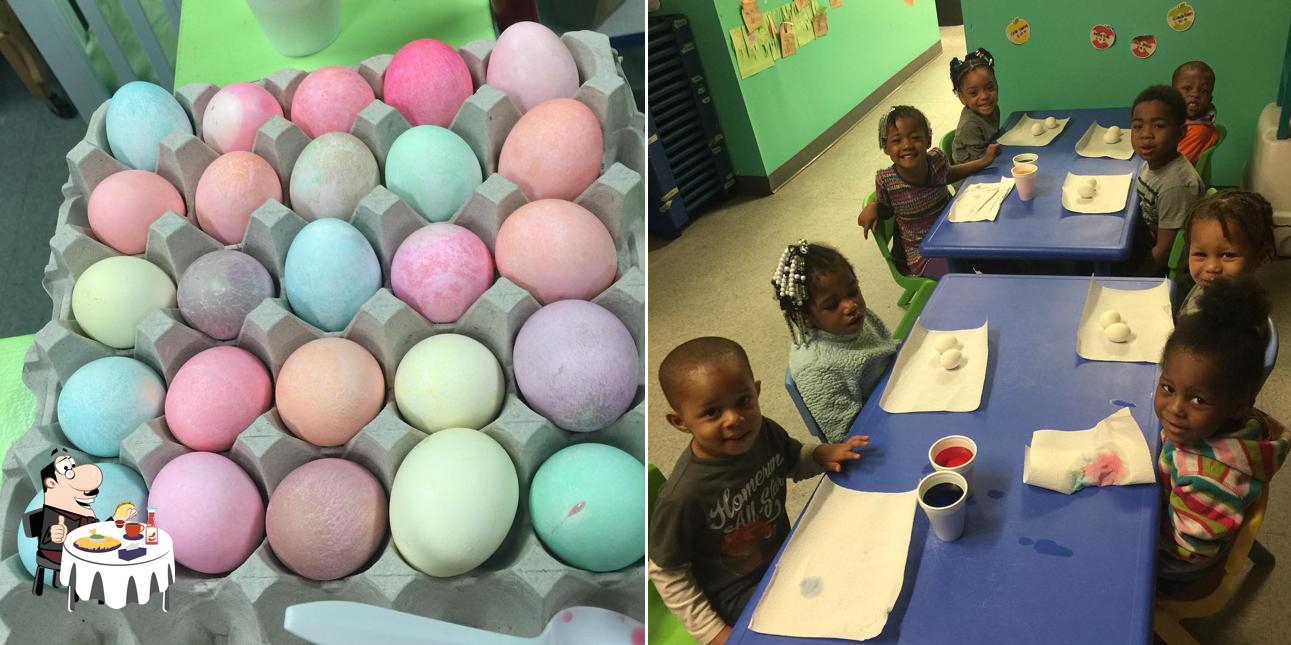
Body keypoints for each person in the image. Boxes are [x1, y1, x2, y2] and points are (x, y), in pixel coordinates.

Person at [649, 337, 866, 644]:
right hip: (738, 596)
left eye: (743, 401)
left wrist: (820, 455)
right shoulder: (683, 495)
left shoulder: (762, 431)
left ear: (757, 391)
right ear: (679, 422)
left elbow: (790, 459)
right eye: (712, 412)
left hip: (785, 555)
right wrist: (714, 633)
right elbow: (666, 572)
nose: (734, 419)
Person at [1155, 277, 1289, 593]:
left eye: (1198, 399)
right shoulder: (1234, 422)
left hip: (1177, 570)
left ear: (1237, 408)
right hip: (1182, 505)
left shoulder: (1207, 484)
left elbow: (1191, 554)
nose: (1175, 408)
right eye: (1168, 388)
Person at [771, 241, 898, 443]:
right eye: (832, 305)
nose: (850, 306)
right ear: (806, 318)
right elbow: (847, 435)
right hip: (881, 431)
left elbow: (887, 349)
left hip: (897, 389)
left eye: (852, 291)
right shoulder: (816, 368)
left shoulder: (852, 319)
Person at [857, 105, 999, 279]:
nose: (907, 145)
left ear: (928, 139)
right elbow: (887, 211)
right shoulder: (886, 181)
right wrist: (875, 207)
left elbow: (949, 174)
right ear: (885, 147)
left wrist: (983, 162)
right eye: (896, 141)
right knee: (961, 279)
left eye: (915, 137)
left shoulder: (936, 160)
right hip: (924, 253)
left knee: (996, 252)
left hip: (955, 233)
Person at [1128, 85, 1203, 277]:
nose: (1146, 134)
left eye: (1159, 125)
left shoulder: (1175, 185)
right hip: (1149, 228)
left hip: (1159, 258)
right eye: (1138, 126)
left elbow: (1164, 250)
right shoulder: (1153, 159)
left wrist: (1135, 279)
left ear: (1181, 133)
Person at [1178, 190, 1276, 315]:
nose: (1211, 267)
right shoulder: (1210, 286)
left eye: (1228, 255)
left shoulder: (1237, 315)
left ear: (1259, 256)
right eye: (1200, 254)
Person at [949, 48, 1001, 164]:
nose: (984, 96)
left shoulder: (993, 108)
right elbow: (979, 162)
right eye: (973, 93)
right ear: (962, 98)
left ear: (996, 86)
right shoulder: (970, 125)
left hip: (987, 157)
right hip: (969, 173)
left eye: (989, 88)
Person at [1172, 61, 1219, 165]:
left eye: (1204, 91)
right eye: (1187, 89)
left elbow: (1173, 166)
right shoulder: (1179, 117)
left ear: (1209, 99)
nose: (1195, 94)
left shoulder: (1198, 131)